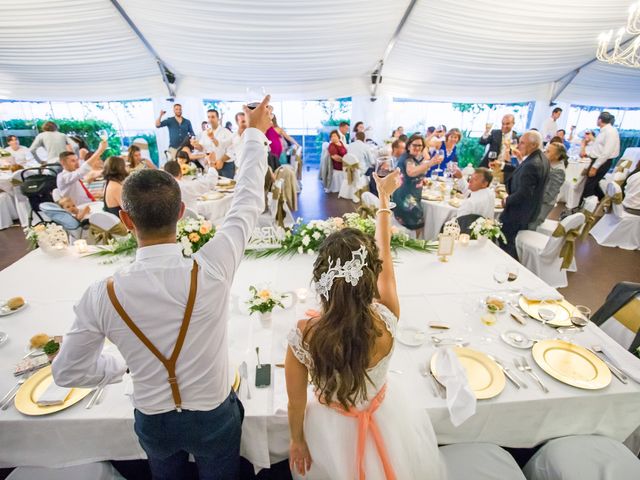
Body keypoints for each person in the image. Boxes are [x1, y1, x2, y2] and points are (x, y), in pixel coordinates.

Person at [52, 96, 272, 480]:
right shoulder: (214, 267)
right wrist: (254, 133)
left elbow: (67, 372)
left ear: (125, 219)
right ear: (182, 213)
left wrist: (118, 366)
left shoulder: (101, 294)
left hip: (153, 419)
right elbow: (248, 200)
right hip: (214, 416)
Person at [285, 169, 444, 479]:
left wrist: (297, 441)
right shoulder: (387, 315)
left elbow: (295, 403)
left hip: (329, 431)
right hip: (385, 418)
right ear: (371, 275)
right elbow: (385, 254)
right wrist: (384, 200)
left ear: (321, 279)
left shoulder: (304, 337)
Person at [499, 130, 549, 258]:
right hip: (531, 209)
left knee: (506, 240)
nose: (518, 146)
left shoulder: (532, 164)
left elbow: (524, 192)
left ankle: (508, 266)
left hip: (519, 212)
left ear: (533, 145)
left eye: (522, 143)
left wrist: (507, 200)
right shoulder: (542, 158)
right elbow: (524, 174)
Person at [393, 134, 443, 237]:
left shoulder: (414, 158)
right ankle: (413, 243)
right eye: (414, 145)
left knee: (419, 223)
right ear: (408, 146)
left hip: (411, 195)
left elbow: (413, 174)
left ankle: (412, 242)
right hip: (405, 198)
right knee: (418, 222)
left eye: (420, 146)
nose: (417, 148)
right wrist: (430, 163)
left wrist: (420, 179)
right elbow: (411, 172)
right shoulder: (408, 158)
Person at [581, 112, 620, 202]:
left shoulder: (610, 132)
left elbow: (606, 152)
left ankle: (586, 208)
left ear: (600, 120)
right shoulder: (604, 131)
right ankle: (603, 202)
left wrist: (595, 167)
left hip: (602, 162)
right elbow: (600, 147)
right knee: (593, 184)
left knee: (589, 186)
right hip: (598, 160)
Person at [529, 142, 567, 229]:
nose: (544, 153)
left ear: (557, 156)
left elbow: (549, 195)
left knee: (527, 224)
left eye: (548, 151)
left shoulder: (558, 170)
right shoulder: (549, 163)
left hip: (542, 206)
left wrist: (530, 198)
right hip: (538, 201)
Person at [57, 140, 107, 205]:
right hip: (80, 208)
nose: (77, 163)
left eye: (77, 160)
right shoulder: (63, 177)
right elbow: (83, 170)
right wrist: (100, 150)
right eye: (73, 161)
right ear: (63, 163)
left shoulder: (75, 175)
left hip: (91, 204)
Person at [196, 109, 234, 178]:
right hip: (212, 165)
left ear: (218, 119)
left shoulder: (226, 132)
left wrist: (221, 160)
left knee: (227, 187)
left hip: (225, 165)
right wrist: (196, 145)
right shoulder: (205, 133)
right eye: (208, 117)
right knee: (214, 186)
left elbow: (231, 150)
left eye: (213, 117)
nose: (210, 119)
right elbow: (202, 147)